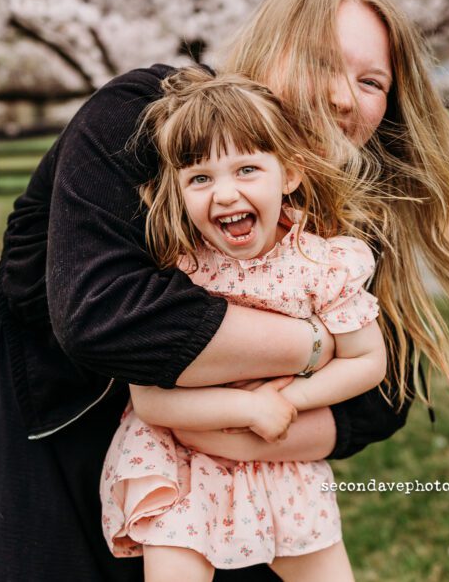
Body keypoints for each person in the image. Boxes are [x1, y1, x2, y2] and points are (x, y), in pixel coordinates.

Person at [0, 0, 449, 581]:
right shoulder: (150, 115)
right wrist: (318, 346)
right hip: (49, 431)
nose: (344, 96)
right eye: (322, 62)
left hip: (227, 483)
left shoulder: (336, 210)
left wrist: (250, 432)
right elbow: (106, 319)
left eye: (371, 81)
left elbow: (386, 386)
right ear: (269, 51)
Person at [101, 67, 389, 581]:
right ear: (178, 191)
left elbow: (368, 360)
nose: (226, 194)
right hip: (181, 466)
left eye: (247, 170)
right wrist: (248, 406)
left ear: (291, 174)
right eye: (200, 178)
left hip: (283, 458)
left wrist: (287, 404)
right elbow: (149, 399)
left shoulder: (321, 266)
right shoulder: (177, 273)